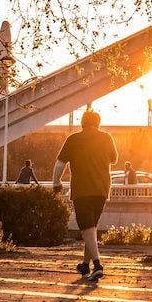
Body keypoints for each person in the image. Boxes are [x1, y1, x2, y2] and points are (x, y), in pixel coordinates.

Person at [52, 109, 118, 280]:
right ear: (98, 122)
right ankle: (85, 266)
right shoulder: (106, 137)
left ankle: (97, 264)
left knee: (87, 228)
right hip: (102, 189)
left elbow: (60, 163)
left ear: (82, 122)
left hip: (82, 189)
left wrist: (56, 182)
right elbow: (114, 159)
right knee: (92, 229)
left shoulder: (73, 139)